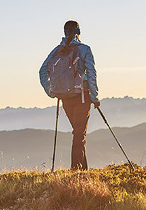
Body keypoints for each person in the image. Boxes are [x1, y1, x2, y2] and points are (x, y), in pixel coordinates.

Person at [39, 20, 100, 170]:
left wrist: (51, 92)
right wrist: (95, 97)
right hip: (81, 96)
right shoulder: (84, 49)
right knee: (79, 134)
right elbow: (91, 73)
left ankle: (82, 170)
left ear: (65, 32)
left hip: (64, 97)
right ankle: (76, 170)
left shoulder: (56, 51)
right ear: (78, 32)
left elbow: (42, 70)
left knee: (78, 133)